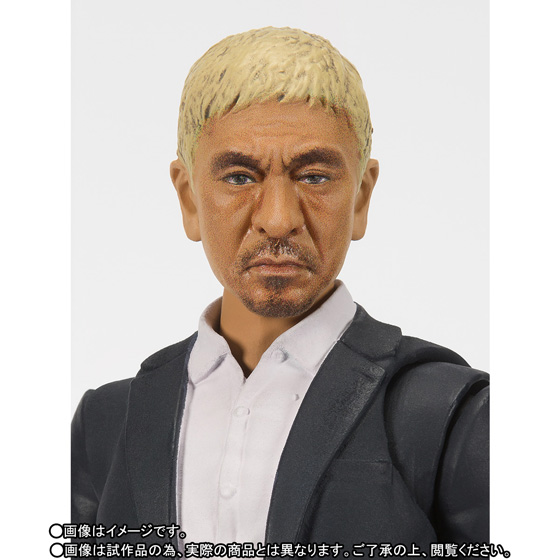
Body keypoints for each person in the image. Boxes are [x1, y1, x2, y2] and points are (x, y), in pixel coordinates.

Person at [71, 27, 489, 557]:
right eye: (239, 177)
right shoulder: (108, 424)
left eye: (314, 177)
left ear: (360, 197)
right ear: (190, 199)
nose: (277, 218)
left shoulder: (447, 414)